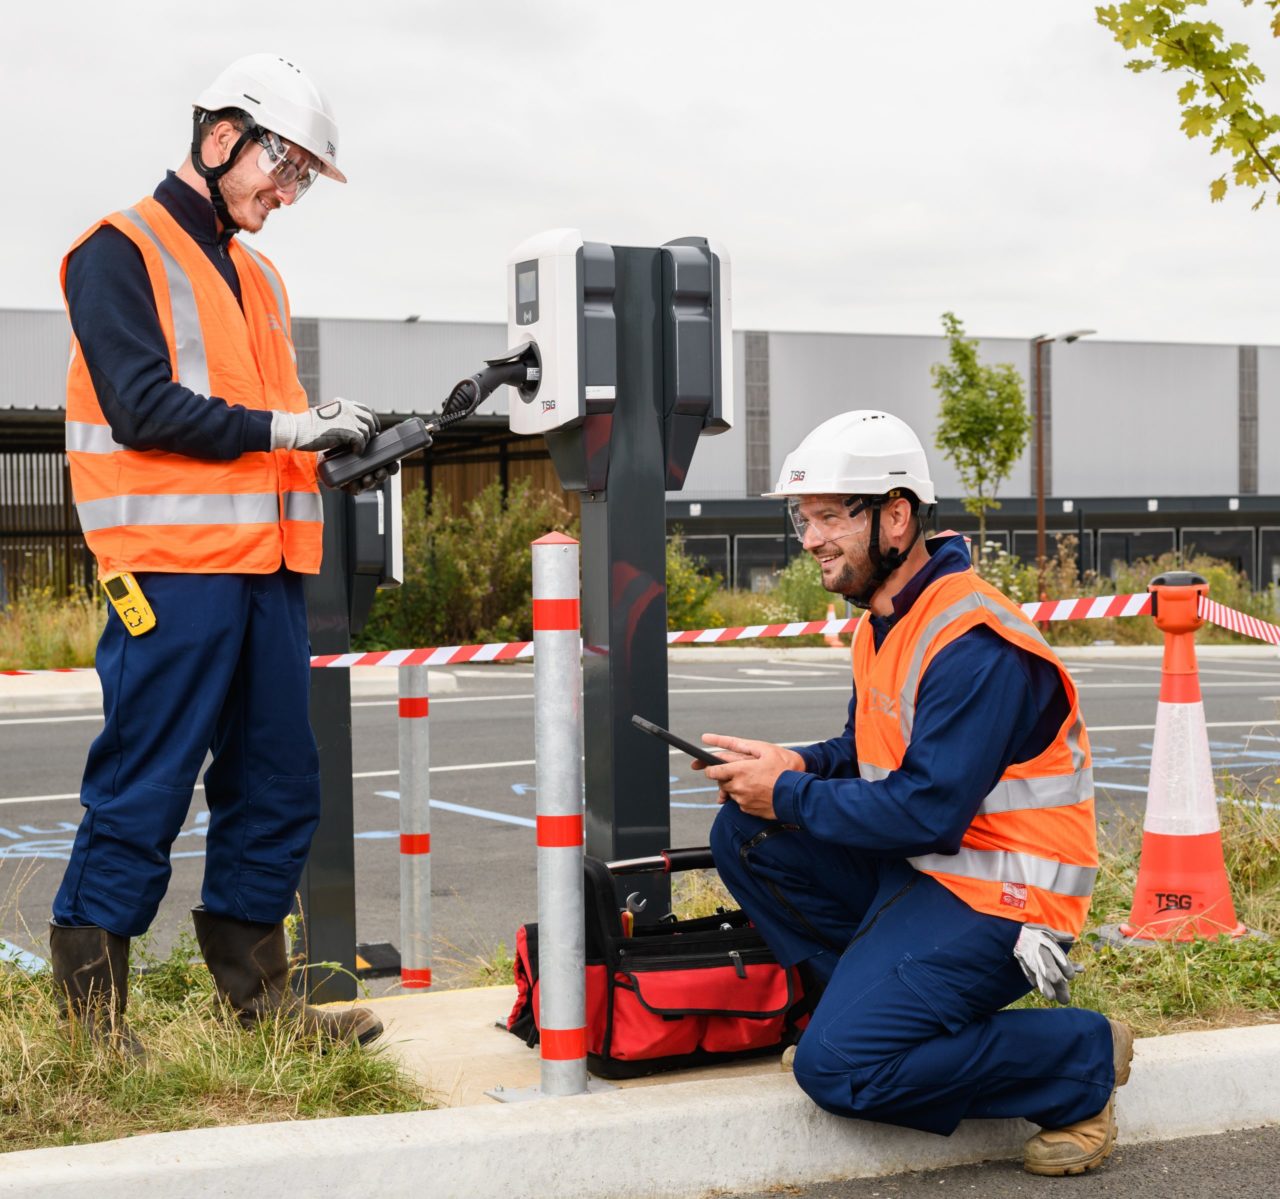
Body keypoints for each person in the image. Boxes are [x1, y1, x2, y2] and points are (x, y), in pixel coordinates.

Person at [698, 410, 1133, 1177]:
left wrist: (789, 793)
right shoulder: (884, 623)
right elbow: (867, 755)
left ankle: (1077, 1057)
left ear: (895, 515)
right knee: (746, 832)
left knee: (835, 1072)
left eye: (831, 515)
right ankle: (862, 1015)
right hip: (929, 875)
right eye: (804, 517)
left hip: (1003, 901)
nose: (811, 538)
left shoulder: (975, 643)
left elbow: (927, 810)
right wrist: (790, 760)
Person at [53, 54, 387, 1053]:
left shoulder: (262, 275)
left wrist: (329, 443)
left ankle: (262, 1006)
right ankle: (92, 1027)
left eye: (295, 182)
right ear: (218, 138)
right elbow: (142, 404)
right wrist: (291, 430)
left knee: (280, 784)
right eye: (278, 171)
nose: (283, 196)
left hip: (270, 574)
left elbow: (265, 423)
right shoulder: (117, 251)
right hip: (169, 569)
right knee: (144, 782)